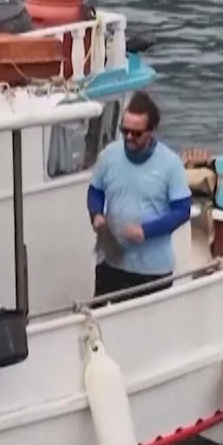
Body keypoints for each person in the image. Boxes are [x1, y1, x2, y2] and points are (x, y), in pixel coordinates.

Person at [87, 91, 192, 301]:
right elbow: (95, 191)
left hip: (152, 271)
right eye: (125, 131)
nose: (129, 137)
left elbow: (182, 211)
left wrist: (145, 231)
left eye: (136, 133)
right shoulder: (108, 156)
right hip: (112, 264)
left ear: (151, 130)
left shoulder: (170, 164)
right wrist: (96, 214)